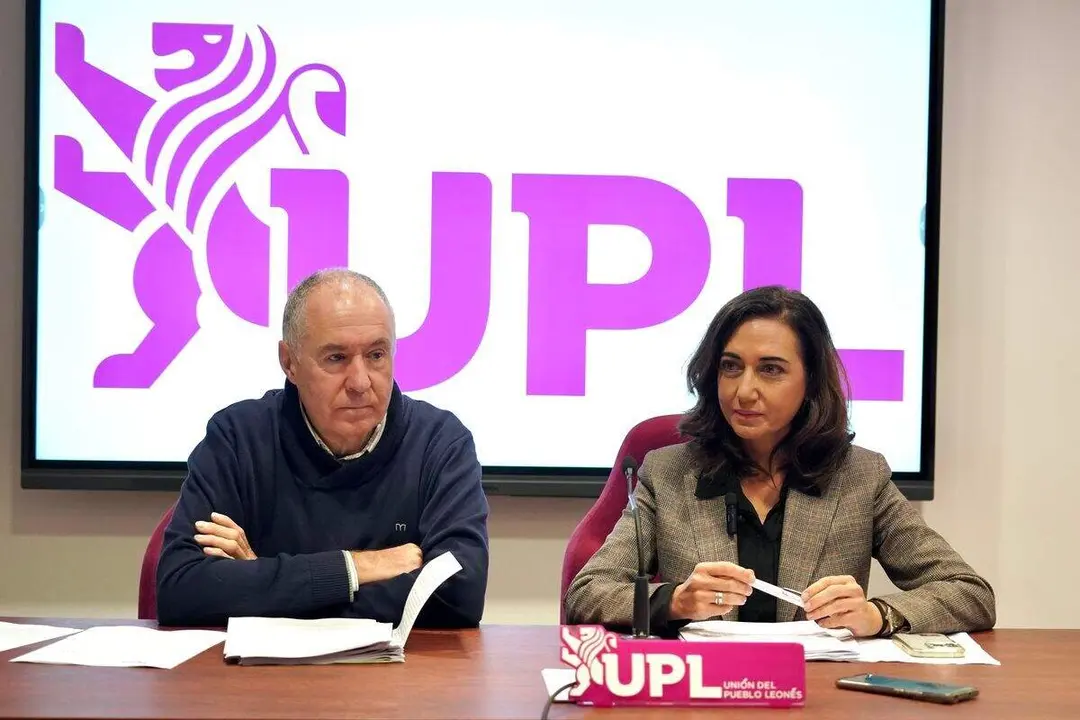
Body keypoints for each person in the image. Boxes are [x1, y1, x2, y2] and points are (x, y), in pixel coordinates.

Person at [565, 286, 995, 638]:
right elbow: (586, 593)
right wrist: (675, 601)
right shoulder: (669, 472)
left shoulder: (860, 477)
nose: (743, 391)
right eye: (730, 367)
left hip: (817, 697)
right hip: (702, 696)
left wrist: (879, 614)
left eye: (770, 370)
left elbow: (969, 593)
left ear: (810, 382)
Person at [156, 269, 489, 627]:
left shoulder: (440, 443)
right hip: (263, 680)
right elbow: (181, 590)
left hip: (397, 680)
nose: (361, 382)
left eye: (377, 355)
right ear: (289, 363)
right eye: (336, 358)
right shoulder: (237, 439)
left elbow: (458, 595)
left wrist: (262, 584)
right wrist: (359, 567)